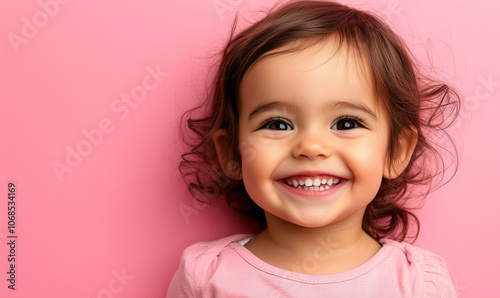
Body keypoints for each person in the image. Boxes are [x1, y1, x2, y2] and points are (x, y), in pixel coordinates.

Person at [168, 0, 460, 296]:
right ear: (232, 152)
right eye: (277, 125)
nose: (311, 147)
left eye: (346, 124)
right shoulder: (206, 277)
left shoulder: (418, 284)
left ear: (396, 151)